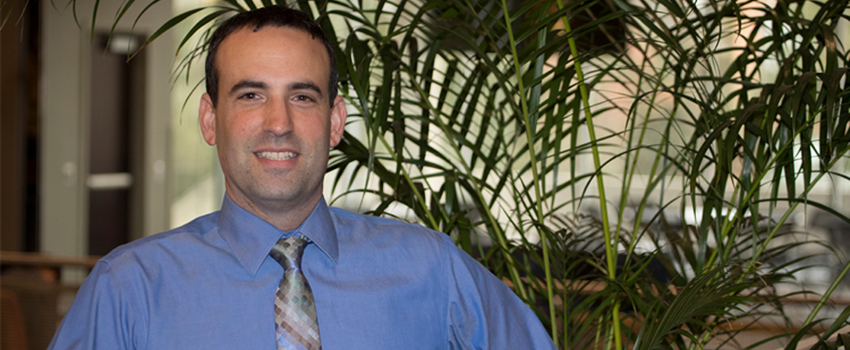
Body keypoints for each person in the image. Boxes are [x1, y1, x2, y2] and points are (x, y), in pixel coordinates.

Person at [47, 6, 556, 350]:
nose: (278, 123)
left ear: (335, 121)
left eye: (302, 96)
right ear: (209, 119)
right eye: (250, 95)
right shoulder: (128, 289)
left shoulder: (433, 271)